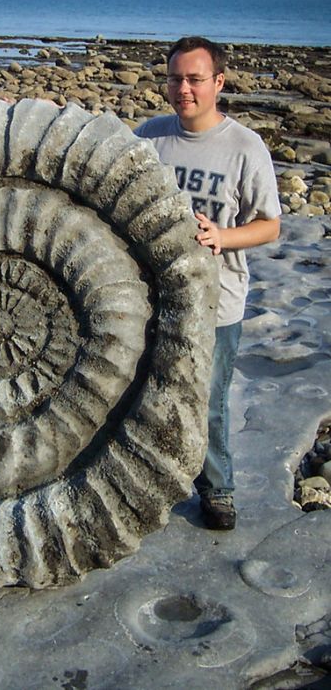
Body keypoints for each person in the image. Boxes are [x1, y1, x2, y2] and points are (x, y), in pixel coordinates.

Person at [135, 36, 281, 530]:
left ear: (218, 82)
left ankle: (217, 490)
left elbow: (270, 226)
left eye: (195, 79)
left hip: (217, 304)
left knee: (208, 402)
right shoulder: (150, 137)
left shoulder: (245, 147)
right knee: (145, 395)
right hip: (152, 300)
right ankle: (150, 479)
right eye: (175, 79)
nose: (184, 89)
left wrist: (222, 236)